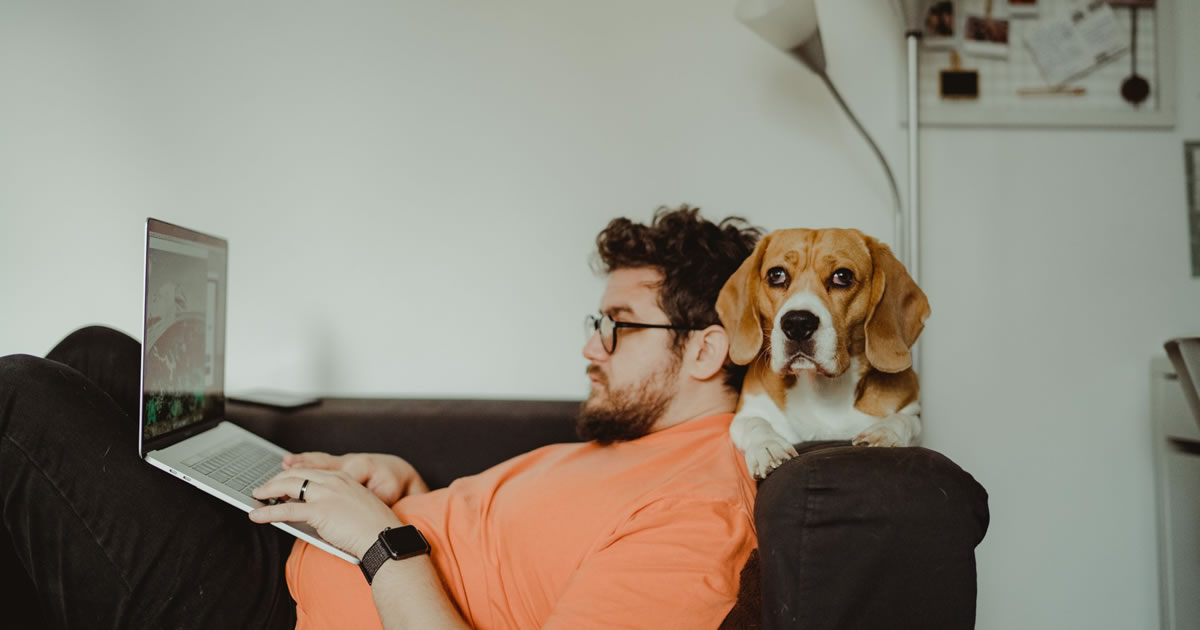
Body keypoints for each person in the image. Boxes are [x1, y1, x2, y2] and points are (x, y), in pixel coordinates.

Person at [0, 205, 763, 629]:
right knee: (100, 356)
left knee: (20, 397)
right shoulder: (638, 436)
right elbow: (501, 555)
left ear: (705, 350)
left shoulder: (700, 514)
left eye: (618, 327)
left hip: (276, 614)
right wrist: (401, 485)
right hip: (320, 557)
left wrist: (379, 536)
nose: (591, 350)